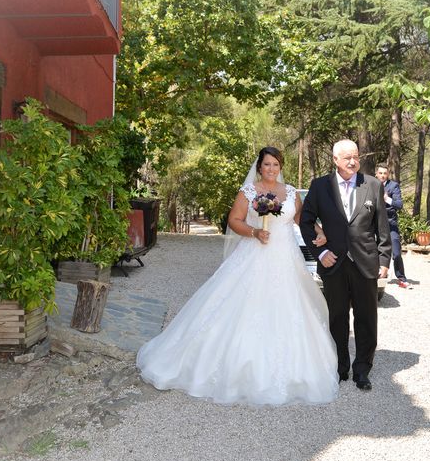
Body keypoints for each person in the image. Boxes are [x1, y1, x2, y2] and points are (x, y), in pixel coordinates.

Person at [136, 147, 339, 405]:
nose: (271, 169)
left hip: (286, 258)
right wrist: (254, 232)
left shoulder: (289, 192)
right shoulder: (249, 192)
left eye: (275, 164)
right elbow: (234, 219)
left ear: (280, 166)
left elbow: (300, 218)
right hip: (255, 253)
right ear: (259, 167)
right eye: (267, 164)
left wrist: (318, 230)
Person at [300, 140, 391, 391]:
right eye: (347, 157)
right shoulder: (320, 186)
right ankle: (340, 367)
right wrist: (320, 252)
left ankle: (362, 369)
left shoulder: (372, 184)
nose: (352, 161)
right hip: (333, 263)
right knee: (337, 317)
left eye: (356, 157)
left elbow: (382, 227)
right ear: (335, 160)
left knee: (366, 318)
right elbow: (306, 221)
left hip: (365, 262)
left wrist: (384, 260)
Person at [375, 162, 411, 289]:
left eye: (385, 173)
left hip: (390, 224)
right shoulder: (371, 185)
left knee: (396, 253)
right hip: (374, 224)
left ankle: (401, 278)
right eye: (380, 173)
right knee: (373, 251)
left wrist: (387, 199)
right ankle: (377, 275)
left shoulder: (393, 186)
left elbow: (399, 205)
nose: (383, 175)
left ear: (388, 174)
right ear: (376, 174)